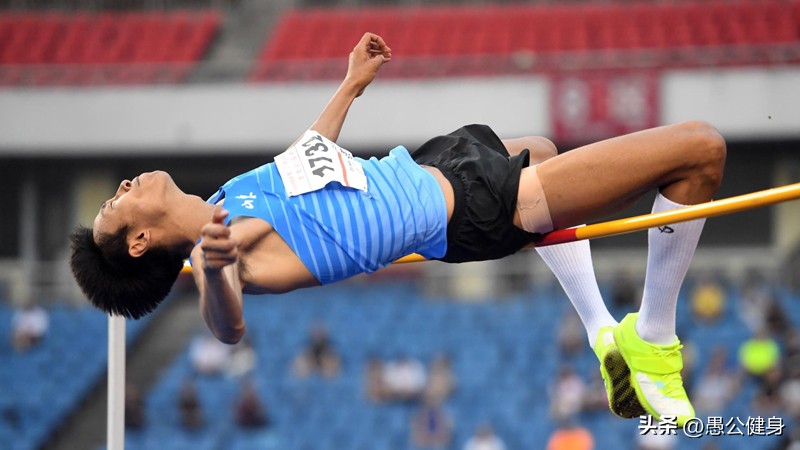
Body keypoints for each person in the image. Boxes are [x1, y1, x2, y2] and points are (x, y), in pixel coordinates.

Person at [70, 32, 727, 426]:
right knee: (700, 150)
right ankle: (654, 342)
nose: (123, 187)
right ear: (138, 242)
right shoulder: (231, 252)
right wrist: (211, 270)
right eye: (113, 205)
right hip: (474, 209)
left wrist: (350, 85)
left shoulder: (225, 197)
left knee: (547, 147)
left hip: (429, 163)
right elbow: (228, 326)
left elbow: (305, 163)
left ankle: (599, 330)